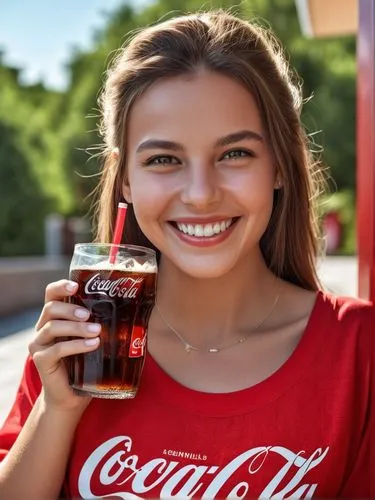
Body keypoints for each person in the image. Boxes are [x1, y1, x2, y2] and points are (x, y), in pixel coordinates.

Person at [0, 9, 373, 499]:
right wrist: (57, 409)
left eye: (235, 153)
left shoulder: (360, 351)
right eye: (164, 159)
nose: (200, 194)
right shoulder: (80, 342)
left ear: (280, 165)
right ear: (126, 179)